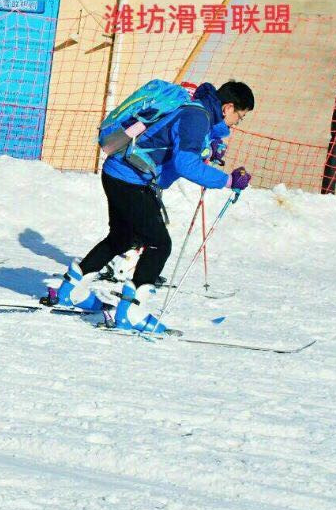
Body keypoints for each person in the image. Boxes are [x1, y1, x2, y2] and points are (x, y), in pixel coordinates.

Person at [56, 80, 255, 332]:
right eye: (240, 116)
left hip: (120, 173)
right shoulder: (197, 116)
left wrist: (210, 144)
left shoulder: (198, 109)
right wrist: (227, 180)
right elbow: (186, 164)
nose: (238, 122)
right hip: (130, 180)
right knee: (159, 244)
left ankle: (71, 290)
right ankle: (133, 312)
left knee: (123, 237)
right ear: (227, 107)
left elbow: (184, 134)